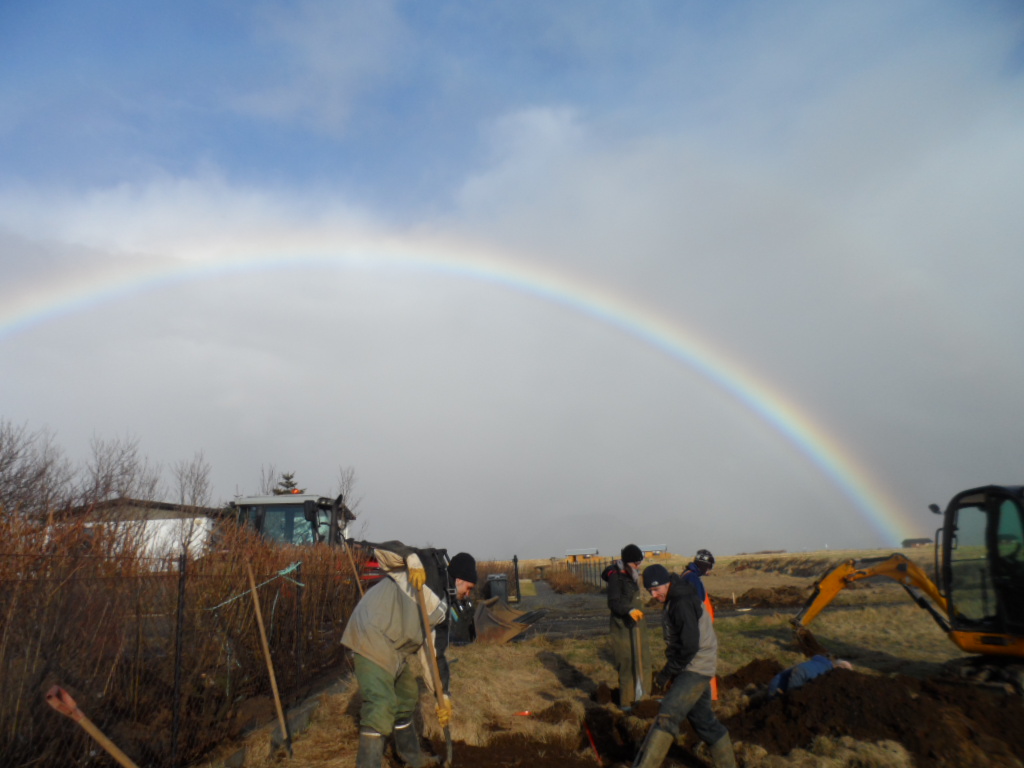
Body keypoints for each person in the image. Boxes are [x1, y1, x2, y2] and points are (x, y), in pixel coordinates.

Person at [342, 541, 477, 768]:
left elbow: (434, 656)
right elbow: (383, 552)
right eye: (469, 588)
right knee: (381, 705)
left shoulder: (443, 607)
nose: (468, 594)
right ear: (459, 579)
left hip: (394, 648)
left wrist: (442, 695)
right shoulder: (427, 569)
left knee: (406, 696)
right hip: (372, 631)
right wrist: (410, 559)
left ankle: (411, 758)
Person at [632, 564, 735, 768]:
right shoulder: (675, 597)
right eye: (650, 591)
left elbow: (689, 646)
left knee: (667, 716)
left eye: (657, 589)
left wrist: (666, 673)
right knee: (705, 722)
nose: (654, 595)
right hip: (694, 665)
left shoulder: (681, 601)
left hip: (695, 667)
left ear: (668, 583)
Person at [601, 544, 652, 709]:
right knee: (627, 663)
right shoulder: (616, 577)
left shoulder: (632, 575)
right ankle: (627, 704)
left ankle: (644, 699)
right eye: (636, 563)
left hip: (637, 625)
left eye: (639, 563)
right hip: (622, 627)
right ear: (628, 561)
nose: (638, 566)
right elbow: (613, 603)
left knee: (643, 660)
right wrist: (629, 610)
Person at [680, 549, 718, 700]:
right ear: (704, 565)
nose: (710, 570)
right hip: (700, 629)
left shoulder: (688, 576)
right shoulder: (693, 580)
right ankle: (708, 698)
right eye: (710, 566)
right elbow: (698, 606)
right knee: (704, 664)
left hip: (698, 628)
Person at [754, 655, 853, 702]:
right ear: (839, 668)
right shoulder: (821, 668)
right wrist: (793, 696)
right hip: (778, 688)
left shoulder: (823, 667)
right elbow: (800, 671)